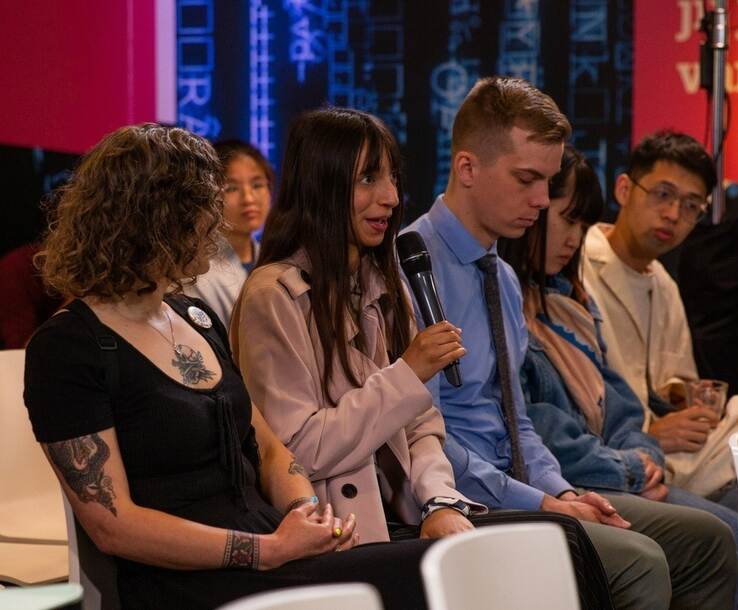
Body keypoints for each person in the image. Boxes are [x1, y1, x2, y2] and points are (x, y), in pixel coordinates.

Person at [23, 123, 436, 610]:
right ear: (153, 219)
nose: (215, 226)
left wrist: (305, 512)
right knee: (425, 571)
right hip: (185, 581)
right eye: (203, 210)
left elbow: (269, 449)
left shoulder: (194, 316)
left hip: (269, 550)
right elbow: (114, 526)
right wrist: (266, 550)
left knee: (436, 562)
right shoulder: (68, 347)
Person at [229, 108, 616, 609]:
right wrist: (407, 374)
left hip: (408, 514)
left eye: (392, 178)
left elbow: (423, 427)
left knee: (565, 542)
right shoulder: (274, 295)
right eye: (368, 179)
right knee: (559, 547)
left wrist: (439, 502)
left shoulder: (382, 281)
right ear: (322, 183)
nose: (390, 197)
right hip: (340, 532)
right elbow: (300, 448)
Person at [403, 76, 738, 610]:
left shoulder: (501, 277)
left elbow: (518, 420)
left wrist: (560, 490)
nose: (541, 200)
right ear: (467, 168)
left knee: (710, 540)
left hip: (526, 487)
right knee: (640, 562)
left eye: (547, 181)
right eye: (527, 179)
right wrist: (544, 500)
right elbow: (425, 440)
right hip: (463, 500)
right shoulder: (410, 269)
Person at [499, 144, 738, 561]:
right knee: (723, 535)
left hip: (619, 462)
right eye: (568, 219)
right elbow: (539, 428)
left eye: (690, 206)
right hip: (572, 478)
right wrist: (630, 467)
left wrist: (643, 457)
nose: (575, 238)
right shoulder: (513, 301)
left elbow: (620, 403)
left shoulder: (573, 301)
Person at [580, 130, 738, 507]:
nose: (673, 214)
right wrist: (651, 431)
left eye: (691, 206)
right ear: (624, 189)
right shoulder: (579, 269)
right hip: (623, 452)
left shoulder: (663, 284)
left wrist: (685, 397)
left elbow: (675, 380)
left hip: (676, 444)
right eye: (663, 194)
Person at [185, 139, 273, 327]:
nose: (248, 198)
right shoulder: (196, 273)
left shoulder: (273, 258)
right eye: (231, 188)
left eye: (257, 185)